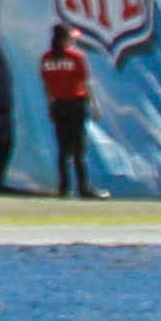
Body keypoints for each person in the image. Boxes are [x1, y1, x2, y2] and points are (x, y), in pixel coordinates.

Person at [38, 28, 99, 198]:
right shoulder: (77, 57)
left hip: (59, 105)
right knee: (79, 148)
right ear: (65, 39)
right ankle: (83, 187)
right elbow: (85, 83)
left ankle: (64, 187)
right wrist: (95, 105)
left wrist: (50, 105)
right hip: (76, 104)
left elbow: (47, 86)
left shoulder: (46, 58)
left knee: (63, 148)